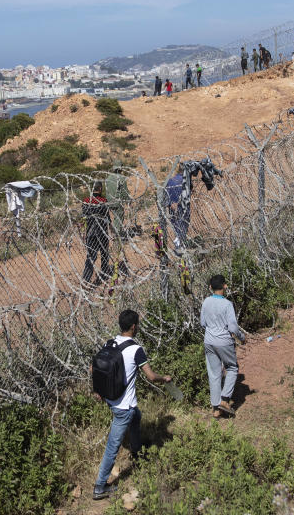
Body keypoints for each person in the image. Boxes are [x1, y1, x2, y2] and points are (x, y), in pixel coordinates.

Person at [92, 309, 172, 500]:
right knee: (113, 446)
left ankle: (136, 452)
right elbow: (151, 376)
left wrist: (98, 390)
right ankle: (99, 487)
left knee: (136, 417)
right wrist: (165, 378)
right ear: (134, 327)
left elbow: (94, 366)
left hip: (112, 399)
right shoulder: (136, 349)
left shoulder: (110, 343)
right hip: (123, 407)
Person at [200, 274, 245, 418]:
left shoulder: (206, 301)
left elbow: (202, 323)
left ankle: (215, 409)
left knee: (214, 374)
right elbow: (232, 327)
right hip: (224, 341)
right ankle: (225, 399)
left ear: (210, 288)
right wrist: (241, 337)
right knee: (232, 368)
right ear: (225, 286)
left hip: (209, 340)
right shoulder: (227, 304)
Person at [82, 183, 112, 287]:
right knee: (104, 254)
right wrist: (111, 230)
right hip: (102, 232)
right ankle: (103, 275)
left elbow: (84, 218)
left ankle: (85, 279)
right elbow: (107, 218)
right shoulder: (103, 201)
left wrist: (83, 232)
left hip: (90, 233)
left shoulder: (86, 201)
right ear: (100, 189)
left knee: (91, 257)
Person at [165, 166, 189, 248]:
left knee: (176, 226)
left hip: (172, 207)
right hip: (183, 207)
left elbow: (166, 195)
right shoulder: (185, 181)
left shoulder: (170, 180)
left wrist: (171, 204)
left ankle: (179, 243)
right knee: (183, 227)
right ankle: (180, 246)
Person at [104, 165, 130, 240]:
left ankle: (114, 233)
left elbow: (107, 189)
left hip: (109, 201)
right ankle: (117, 235)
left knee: (115, 217)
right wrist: (128, 200)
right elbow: (124, 191)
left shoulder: (108, 178)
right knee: (119, 217)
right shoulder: (121, 178)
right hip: (117, 201)